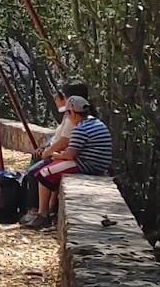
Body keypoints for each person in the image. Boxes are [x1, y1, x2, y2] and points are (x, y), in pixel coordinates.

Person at [22, 96, 112, 227]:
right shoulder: (97, 123)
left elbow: (70, 155)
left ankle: (42, 215)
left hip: (86, 165)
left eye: (68, 113)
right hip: (98, 163)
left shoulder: (80, 129)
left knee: (43, 174)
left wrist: (54, 155)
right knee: (52, 171)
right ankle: (51, 211)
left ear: (73, 113)